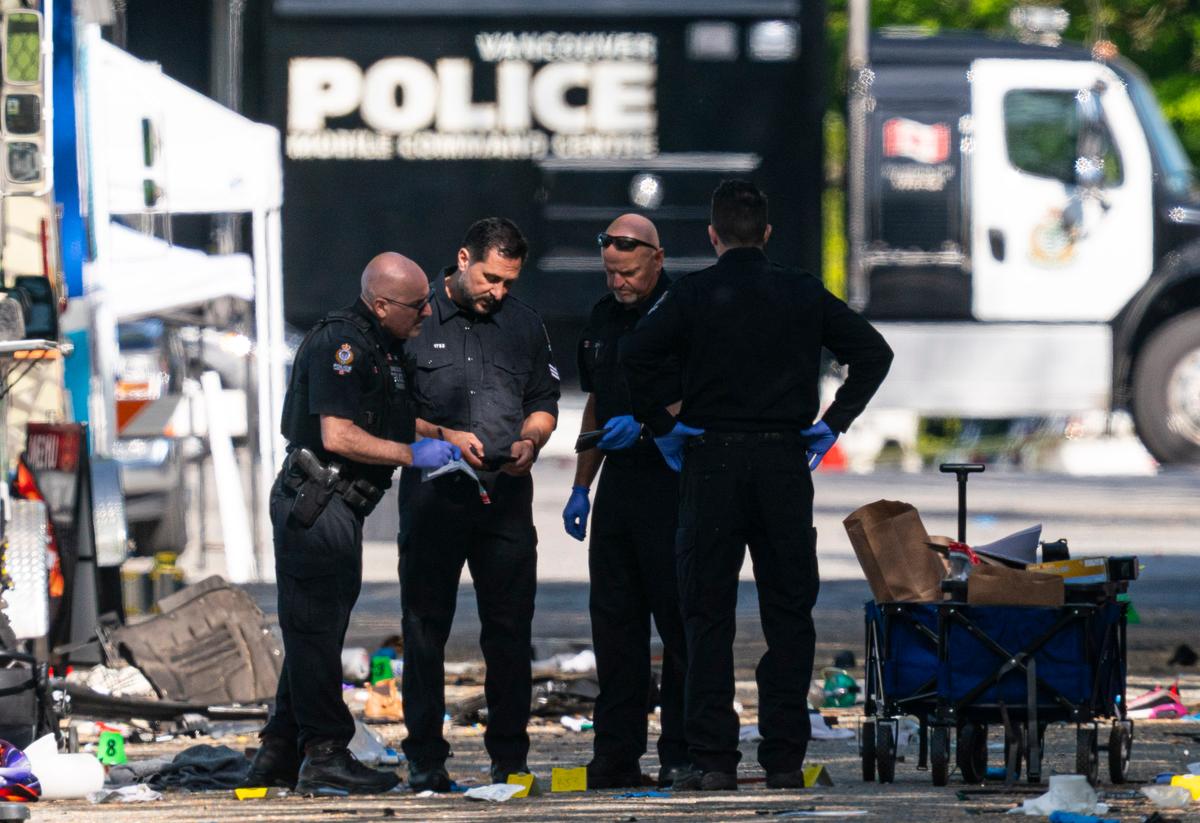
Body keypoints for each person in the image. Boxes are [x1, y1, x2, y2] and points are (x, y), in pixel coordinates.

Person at [620, 180, 893, 790]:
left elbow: (635, 356)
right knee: (789, 615)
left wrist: (665, 424)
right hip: (782, 465)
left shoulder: (694, 294)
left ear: (713, 235)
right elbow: (873, 353)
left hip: (711, 461)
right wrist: (830, 426)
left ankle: (714, 759)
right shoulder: (801, 292)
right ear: (766, 234)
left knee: (707, 616)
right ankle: (784, 759)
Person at [246, 253, 460, 796]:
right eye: (417, 305)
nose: (427, 312)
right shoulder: (339, 346)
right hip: (317, 500)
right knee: (316, 632)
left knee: (316, 630)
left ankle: (278, 748)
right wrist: (415, 456)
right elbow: (339, 435)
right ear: (381, 303)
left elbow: (386, 413)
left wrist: (446, 435)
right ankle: (325, 755)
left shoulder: (380, 347)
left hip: (342, 504)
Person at [398, 217, 560, 792]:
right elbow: (390, 412)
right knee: (424, 629)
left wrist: (531, 440)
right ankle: (424, 758)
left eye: (509, 282)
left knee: (510, 632)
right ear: (463, 260)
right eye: (491, 278)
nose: (499, 293)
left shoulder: (523, 324)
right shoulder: (413, 319)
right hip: (435, 495)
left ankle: (510, 758)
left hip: (506, 497)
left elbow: (544, 401)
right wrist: (439, 434)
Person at [561, 215, 690, 789]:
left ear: (657, 260)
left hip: (672, 479)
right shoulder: (602, 318)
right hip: (618, 488)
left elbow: (700, 394)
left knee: (680, 625)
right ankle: (615, 753)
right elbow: (595, 406)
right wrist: (580, 486)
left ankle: (682, 751)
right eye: (612, 272)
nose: (620, 283)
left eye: (630, 273)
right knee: (614, 627)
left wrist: (646, 429)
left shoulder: (685, 312)